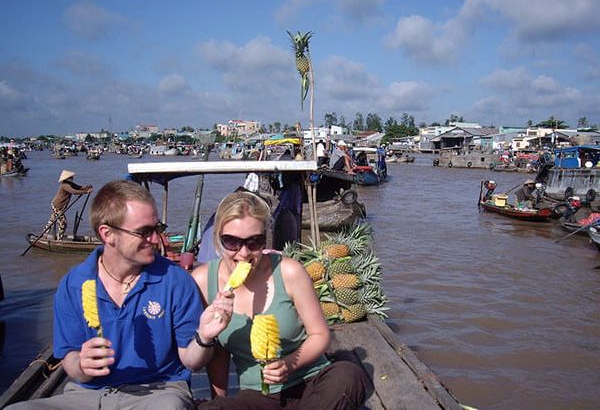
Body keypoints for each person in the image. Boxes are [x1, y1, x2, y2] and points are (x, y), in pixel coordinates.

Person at [8, 180, 234, 410]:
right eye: (144, 232)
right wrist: (82, 364)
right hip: (87, 394)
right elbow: (70, 358)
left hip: (159, 392)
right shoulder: (74, 284)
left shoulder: (176, 281)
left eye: (158, 228)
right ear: (108, 234)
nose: (156, 240)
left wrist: (204, 338)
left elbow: (192, 362)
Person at [192, 191, 367, 409]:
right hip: (258, 395)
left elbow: (320, 335)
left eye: (255, 242)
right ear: (218, 237)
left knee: (349, 375)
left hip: (310, 384)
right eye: (232, 242)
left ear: (265, 238)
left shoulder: (288, 271)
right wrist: (219, 401)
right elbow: (217, 355)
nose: (244, 253)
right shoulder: (202, 281)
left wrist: (288, 364)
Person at [43, 170, 93, 240]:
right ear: (67, 178)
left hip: (58, 206)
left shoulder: (70, 184)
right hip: (57, 206)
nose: (72, 178)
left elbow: (79, 187)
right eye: (71, 177)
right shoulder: (64, 185)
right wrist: (86, 192)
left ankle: (44, 235)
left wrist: (87, 188)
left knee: (51, 221)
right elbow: (74, 192)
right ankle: (59, 239)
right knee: (63, 223)